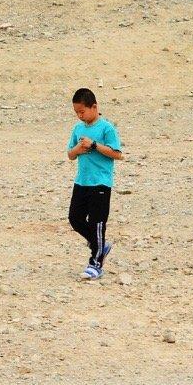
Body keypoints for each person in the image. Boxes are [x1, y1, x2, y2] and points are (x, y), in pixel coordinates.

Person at [66, 86, 123, 280]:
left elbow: (117, 154)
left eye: (82, 111)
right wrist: (78, 149)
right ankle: (100, 246)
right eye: (77, 112)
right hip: (82, 181)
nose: (79, 116)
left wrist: (94, 145)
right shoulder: (78, 128)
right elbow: (70, 154)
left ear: (94, 107)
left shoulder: (107, 128)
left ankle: (95, 264)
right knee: (75, 218)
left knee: (97, 223)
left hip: (101, 183)